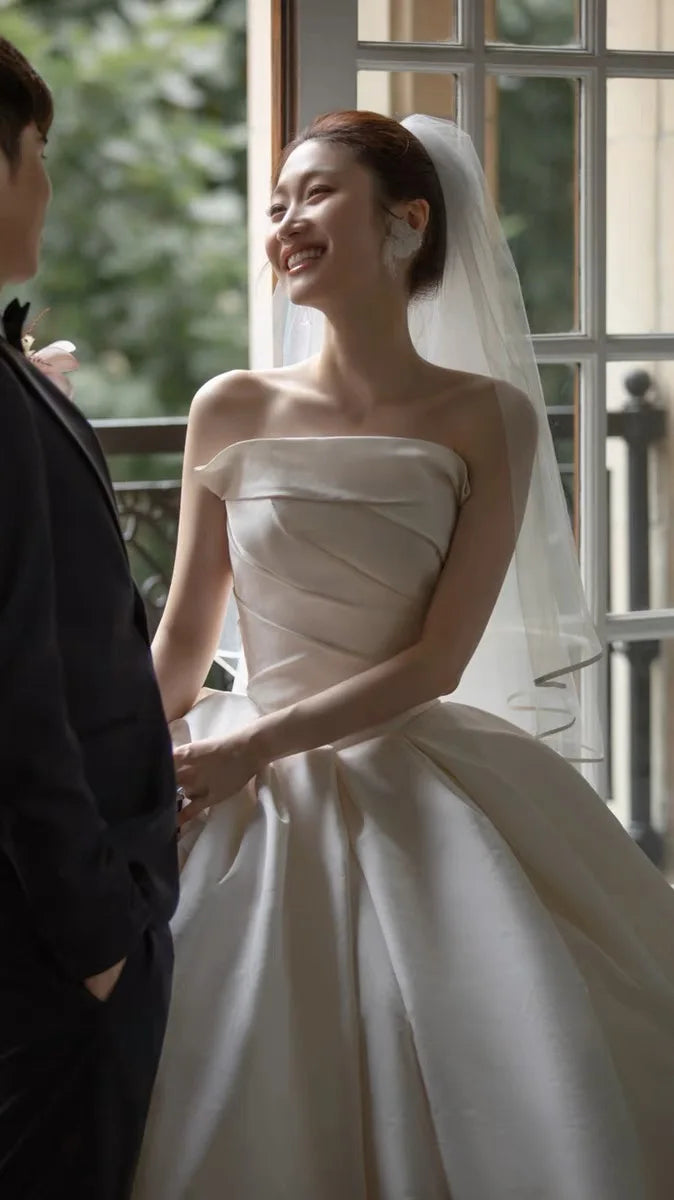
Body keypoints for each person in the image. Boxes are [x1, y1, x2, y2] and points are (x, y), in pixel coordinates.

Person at [135, 110, 674, 1200]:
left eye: (315, 194)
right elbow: (186, 638)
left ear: (405, 222)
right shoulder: (229, 406)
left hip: (409, 765)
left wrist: (262, 747)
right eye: (275, 202)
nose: (284, 220)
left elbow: (436, 659)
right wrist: (128, 767)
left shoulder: (489, 416)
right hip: (244, 784)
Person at [0, 37, 179, 1199]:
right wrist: (101, 941)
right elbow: (13, 699)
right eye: (42, 154)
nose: (48, 186)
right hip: (46, 949)